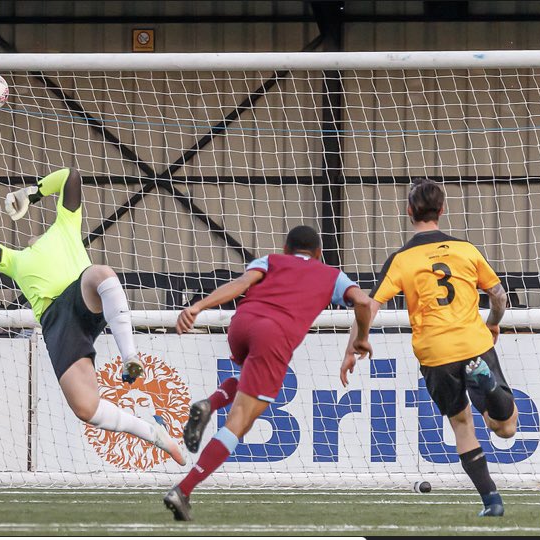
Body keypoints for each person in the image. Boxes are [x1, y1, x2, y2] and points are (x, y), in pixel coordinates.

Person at [0, 150, 185, 466]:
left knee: (101, 274)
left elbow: (71, 176)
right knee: (86, 409)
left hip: (80, 297)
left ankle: (130, 357)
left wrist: (30, 193)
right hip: (57, 323)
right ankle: (156, 435)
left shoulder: (64, 227)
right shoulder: (14, 261)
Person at [163, 225, 374, 521]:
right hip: (272, 335)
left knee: (248, 380)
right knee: (241, 422)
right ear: (319, 253)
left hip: (241, 323)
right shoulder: (331, 275)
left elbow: (241, 283)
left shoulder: (271, 260)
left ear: (286, 249)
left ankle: (212, 401)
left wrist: (198, 306)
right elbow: (364, 302)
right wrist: (361, 338)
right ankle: (183, 490)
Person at [340, 178, 516, 517]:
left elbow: (368, 307)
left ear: (409, 212)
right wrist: (493, 321)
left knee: (462, 425)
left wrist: (354, 346)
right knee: (505, 428)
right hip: (473, 343)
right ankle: (487, 385)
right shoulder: (466, 250)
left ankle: (492, 501)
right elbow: (498, 295)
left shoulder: (402, 259)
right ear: (443, 210)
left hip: (434, 353)